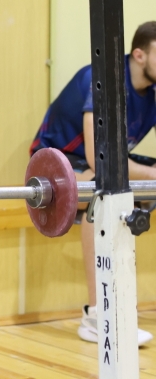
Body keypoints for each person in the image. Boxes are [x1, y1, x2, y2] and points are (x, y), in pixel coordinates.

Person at [30, 20, 156, 345]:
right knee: (103, 194)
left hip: (103, 165)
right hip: (55, 164)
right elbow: (97, 156)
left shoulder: (153, 93)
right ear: (139, 55)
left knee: (112, 182)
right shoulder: (101, 79)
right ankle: (98, 314)